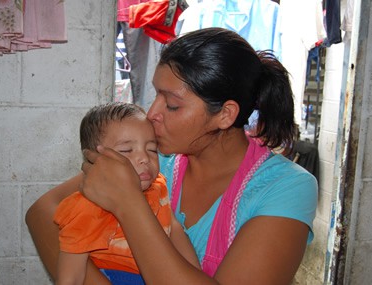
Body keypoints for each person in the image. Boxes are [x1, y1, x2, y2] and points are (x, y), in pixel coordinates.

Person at [26, 27, 318, 284]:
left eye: (173, 105)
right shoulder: (153, 160)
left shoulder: (286, 187)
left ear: (225, 115)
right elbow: (43, 212)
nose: (152, 114)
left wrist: (129, 203)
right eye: (156, 95)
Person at [53, 102, 199, 285]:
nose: (144, 158)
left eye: (152, 149)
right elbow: (70, 277)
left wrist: (194, 271)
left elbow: (173, 229)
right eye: (126, 150)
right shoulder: (87, 207)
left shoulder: (158, 187)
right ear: (96, 160)